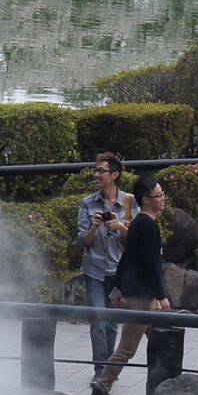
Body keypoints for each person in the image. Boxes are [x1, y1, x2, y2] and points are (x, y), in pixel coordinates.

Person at [89, 175, 169, 395]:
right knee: (127, 349)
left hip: (142, 294)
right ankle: (100, 388)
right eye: (158, 195)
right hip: (142, 298)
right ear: (145, 200)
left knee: (162, 344)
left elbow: (128, 260)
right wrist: (161, 295)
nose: (163, 198)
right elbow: (150, 264)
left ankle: (165, 390)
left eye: (162, 194)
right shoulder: (145, 225)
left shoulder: (140, 224)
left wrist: (119, 288)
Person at [75, 152, 131, 371]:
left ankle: (109, 369)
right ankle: (100, 369)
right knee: (98, 318)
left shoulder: (128, 201)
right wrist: (94, 226)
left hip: (119, 271)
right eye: (96, 170)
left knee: (112, 322)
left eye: (101, 171)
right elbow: (83, 240)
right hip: (94, 271)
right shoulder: (87, 203)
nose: (96, 175)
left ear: (114, 174)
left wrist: (120, 227)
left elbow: (135, 237)